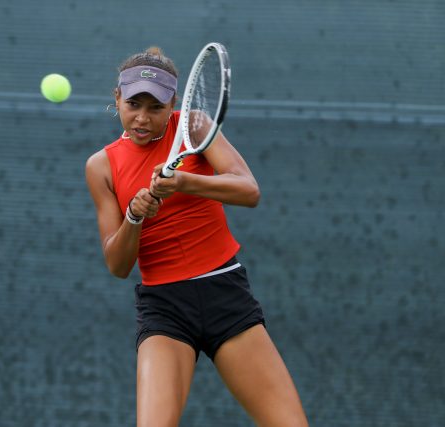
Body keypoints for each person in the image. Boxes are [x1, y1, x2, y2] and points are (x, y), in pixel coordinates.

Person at [85, 46, 308, 427]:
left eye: (155, 107)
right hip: (165, 310)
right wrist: (134, 218)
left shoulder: (196, 126)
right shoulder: (100, 167)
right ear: (117, 98)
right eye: (133, 104)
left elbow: (248, 190)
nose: (142, 117)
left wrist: (184, 181)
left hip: (225, 295)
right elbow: (118, 265)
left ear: (172, 103)